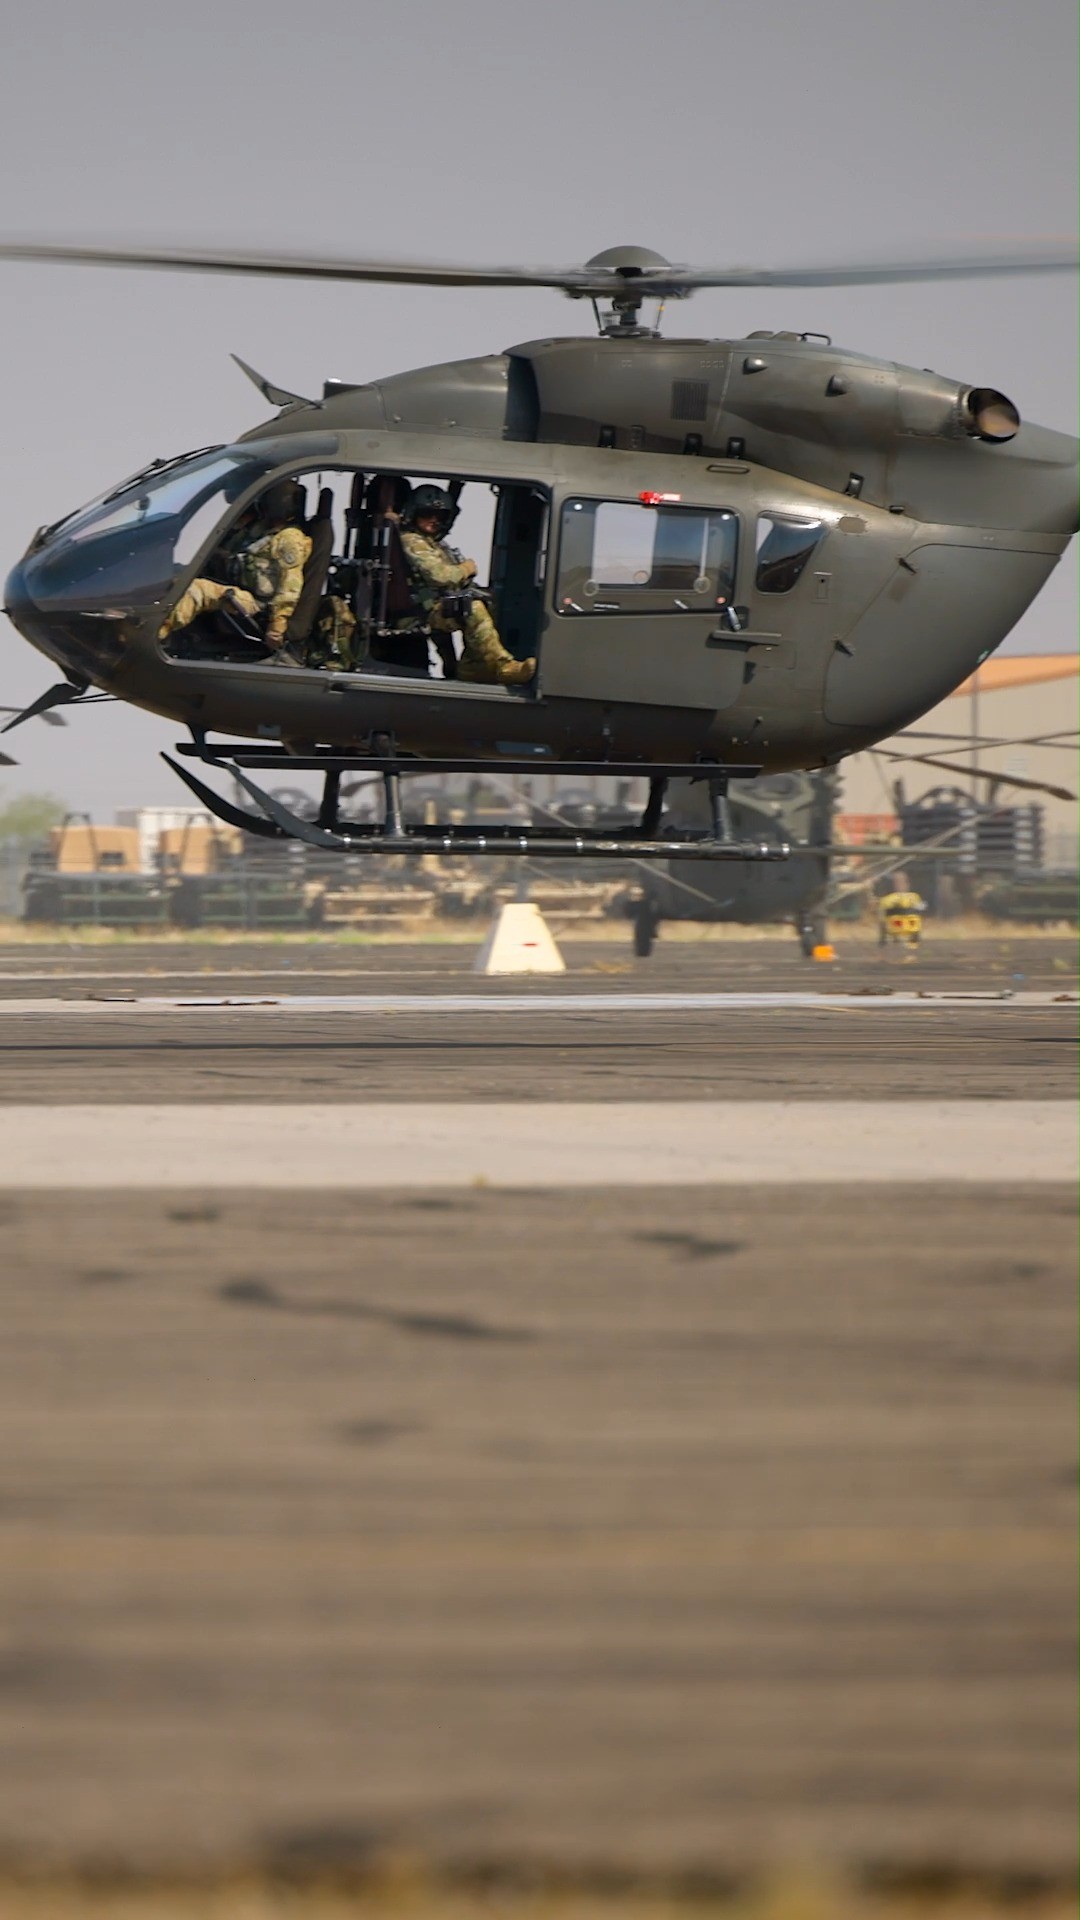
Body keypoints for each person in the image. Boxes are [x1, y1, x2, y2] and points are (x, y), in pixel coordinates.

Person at [159, 480, 313, 666]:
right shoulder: (260, 530)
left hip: (256, 604)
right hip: (237, 587)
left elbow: (290, 585)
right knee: (179, 576)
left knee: (199, 590)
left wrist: (278, 625)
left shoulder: (289, 539)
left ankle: (158, 631)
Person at [397, 485, 535, 687]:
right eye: (427, 514)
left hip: (435, 607)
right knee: (472, 608)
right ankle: (502, 667)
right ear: (414, 513)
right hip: (417, 613)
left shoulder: (432, 543)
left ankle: (474, 665)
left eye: (440, 515)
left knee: (487, 600)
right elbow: (441, 576)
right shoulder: (412, 540)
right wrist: (466, 568)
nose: (434, 520)